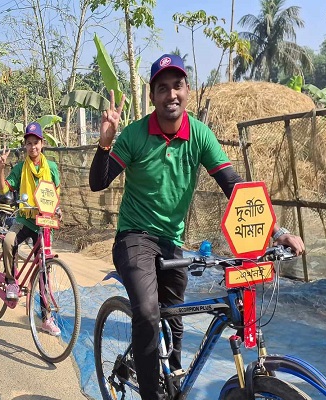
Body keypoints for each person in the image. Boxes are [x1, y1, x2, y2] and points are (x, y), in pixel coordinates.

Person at [88, 53, 305, 399]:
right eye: (162, 88)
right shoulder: (134, 135)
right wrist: (105, 142)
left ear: (188, 90)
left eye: (177, 86)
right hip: (134, 237)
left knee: (174, 317)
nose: (171, 94)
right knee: (146, 312)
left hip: (171, 240)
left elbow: (233, 186)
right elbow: (98, 183)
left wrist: (277, 233)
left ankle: (172, 378)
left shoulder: (200, 135)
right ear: (152, 96)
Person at [0, 121, 62, 336]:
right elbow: (4, 188)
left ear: (42, 144)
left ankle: (46, 318)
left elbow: (56, 191)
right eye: (29, 143)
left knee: (44, 270)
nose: (32, 147)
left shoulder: (51, 167)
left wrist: (57, 208)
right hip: (25, 219)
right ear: (25, 146)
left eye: (36, 142)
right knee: (8, 241)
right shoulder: (19, 168)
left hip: (44, 223)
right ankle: (11, 282)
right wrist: (1, 167)